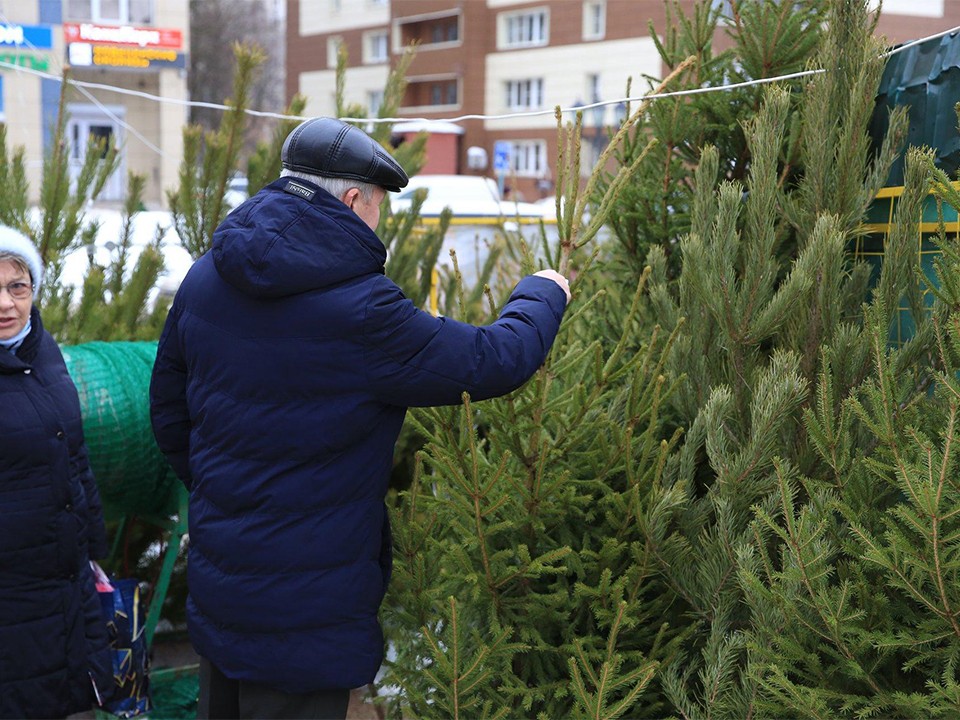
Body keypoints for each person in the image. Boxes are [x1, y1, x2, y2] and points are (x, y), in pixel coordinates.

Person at [149, 117, 571, 719]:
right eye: (377, 208)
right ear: (352, 200)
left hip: (223, 592)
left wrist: (230, 496)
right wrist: (542, 292)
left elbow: (167, 409)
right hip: (310, 613)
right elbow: (491, 361)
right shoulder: (364, 311)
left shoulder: (206, 276)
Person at [0, 227, 114, 718]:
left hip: (67, 585)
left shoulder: (43, 354)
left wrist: (94, 550)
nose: (5, 303)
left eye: (16, 286)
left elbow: (74, 456)